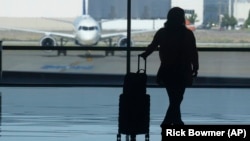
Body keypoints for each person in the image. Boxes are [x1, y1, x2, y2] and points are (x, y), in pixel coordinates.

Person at [139, 7, 199, 125]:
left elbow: (152, 46)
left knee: (173, 97)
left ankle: (173, 121)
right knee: (178, 97)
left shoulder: (162, 32)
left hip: (167, 69)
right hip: (183, 69)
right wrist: (195, 66)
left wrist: (145, 54)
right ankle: (172, 121)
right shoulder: (187, 34)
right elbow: (193, 51)